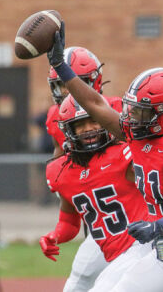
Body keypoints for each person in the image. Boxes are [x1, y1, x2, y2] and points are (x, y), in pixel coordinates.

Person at [45, 22, 163, 292]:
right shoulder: (137, 136)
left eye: (141, 111)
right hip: (160, 249)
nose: (131, 116)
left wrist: (157, 226)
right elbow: (96, 104)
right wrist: (61, 66)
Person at [40, 94, 151, 292]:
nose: (88, 129)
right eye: (80, 125)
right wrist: (54, 236)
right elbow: (69, 222)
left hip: (143, 246)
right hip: (114, 254)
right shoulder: (60, 172)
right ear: (68, 130)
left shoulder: (126, 154)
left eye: (94, 120)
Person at [45, 46, 122, 292]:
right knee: (80, 282)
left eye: (74, 83)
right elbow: (61, 160)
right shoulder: (56, 117)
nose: (70, 92)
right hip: (100, 210)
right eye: (62, 85)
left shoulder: (118, 108)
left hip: (133, 204)